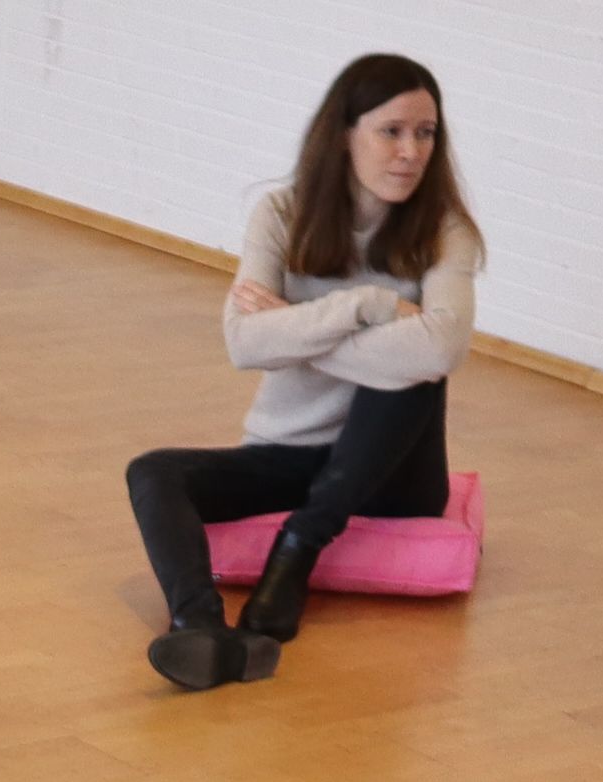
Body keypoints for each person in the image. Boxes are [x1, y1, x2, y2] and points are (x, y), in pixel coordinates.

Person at [121, 52, 483, 694]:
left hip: (395, 473)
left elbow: (437, 353)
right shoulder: (281, 215)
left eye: (425, 134)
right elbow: (242, 343)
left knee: (406, 376)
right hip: (291, 453)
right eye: (391, 131)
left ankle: (298, 547)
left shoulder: (444, 230)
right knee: (151, 472)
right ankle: (200, 628)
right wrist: (365, 308)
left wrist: (292, 328)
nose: (410, 152)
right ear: (345, 134)